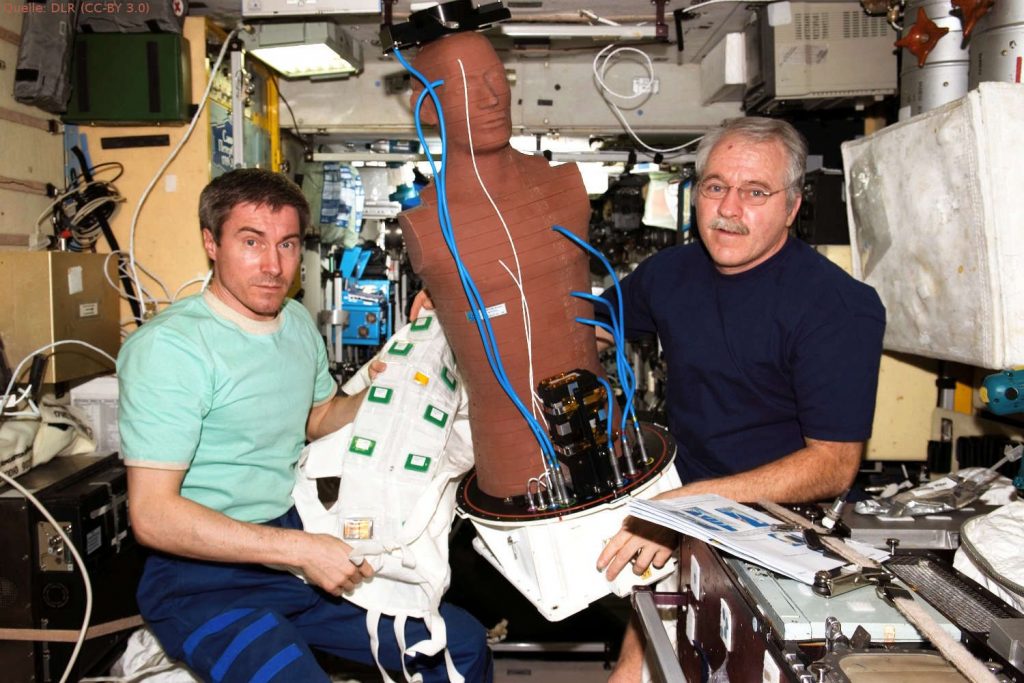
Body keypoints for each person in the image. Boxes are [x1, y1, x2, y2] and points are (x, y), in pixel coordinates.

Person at [118, 168, 491, 683]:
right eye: (252, 242)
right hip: (201, 579)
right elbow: (153, 516)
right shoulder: (170, 349)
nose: (273, 265)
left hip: (290, 557)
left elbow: (318, 418)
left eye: (287, 244)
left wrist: (403, 365)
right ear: (211, 243)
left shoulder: (294, 322)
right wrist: (299, 550)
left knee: (461, 646)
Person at [594, 117, 886, 681]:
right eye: (715, 186)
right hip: (683, 509)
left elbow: (833, 465)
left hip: (779, 529)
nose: (729, 208)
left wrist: (689, 508)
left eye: (756, 192)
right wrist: (464, 306)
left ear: (793, 207)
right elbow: (586, 326)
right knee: (633, 671)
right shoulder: (672, 272)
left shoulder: (836, 307)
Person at [398, 31, 603, 500]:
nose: (491, 97)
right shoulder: (428, 225)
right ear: (427, 107)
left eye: (496, 79)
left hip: (607, 443)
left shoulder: (567, 187)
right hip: (510, 469)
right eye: (468, 85)